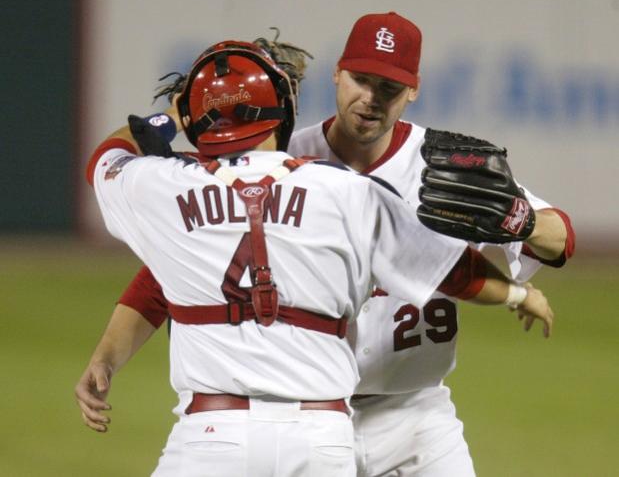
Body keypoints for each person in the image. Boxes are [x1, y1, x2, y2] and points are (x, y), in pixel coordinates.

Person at [76, 39, 553, 477]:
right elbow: (453, 271)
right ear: (281, 112)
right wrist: (516, 292)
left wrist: (173, 117)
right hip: (321, 438)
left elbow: (108, 155)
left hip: (212, 436)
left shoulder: (162, 187)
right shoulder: (345, 190)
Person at [286, 12, 576, 476]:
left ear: (413, 90)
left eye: (389, 88)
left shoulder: (443, 166)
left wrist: (519, 221)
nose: (370, 99)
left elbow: (561, 240)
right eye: (360, 79)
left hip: (417, 417)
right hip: (304, 416)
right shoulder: (286, 162)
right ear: (337, 73)